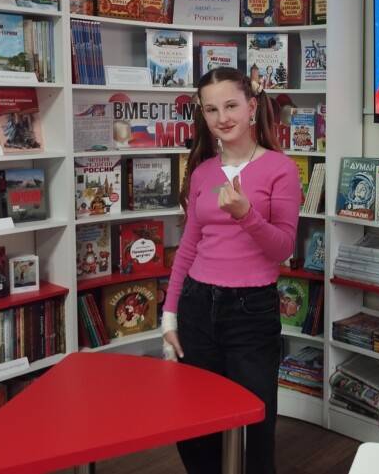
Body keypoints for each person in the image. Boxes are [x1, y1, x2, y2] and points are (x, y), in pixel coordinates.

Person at [161, 67, 300, 474]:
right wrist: (169, 314)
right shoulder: (203, 171)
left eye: (231, 106)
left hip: (251, 311)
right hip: (197, 305)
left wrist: (246, 215)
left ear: (252, 106)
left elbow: (283, 248)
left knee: (256, 422)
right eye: (211, 110)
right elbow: (189, 247)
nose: (222, 118)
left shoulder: (281, 169)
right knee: (194, 422)